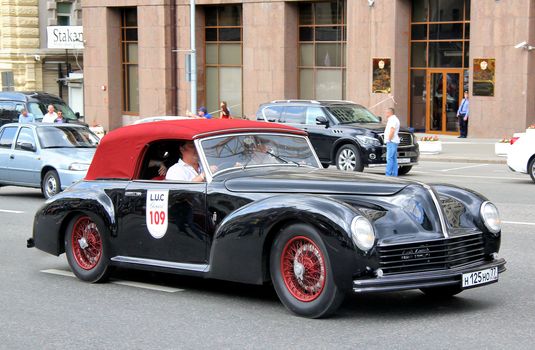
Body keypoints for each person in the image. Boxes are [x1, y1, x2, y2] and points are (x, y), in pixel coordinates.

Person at [384, 107, 400, 177]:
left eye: (386, 112)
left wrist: (389, 139)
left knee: (389, 158)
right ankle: (394, 174)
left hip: (391, 141)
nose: (385, 114)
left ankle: (388, 174)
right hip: (394, 141)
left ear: (389, 113)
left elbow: (392, 130)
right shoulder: (394, 119)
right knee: (393, 158)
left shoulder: (392, 120)